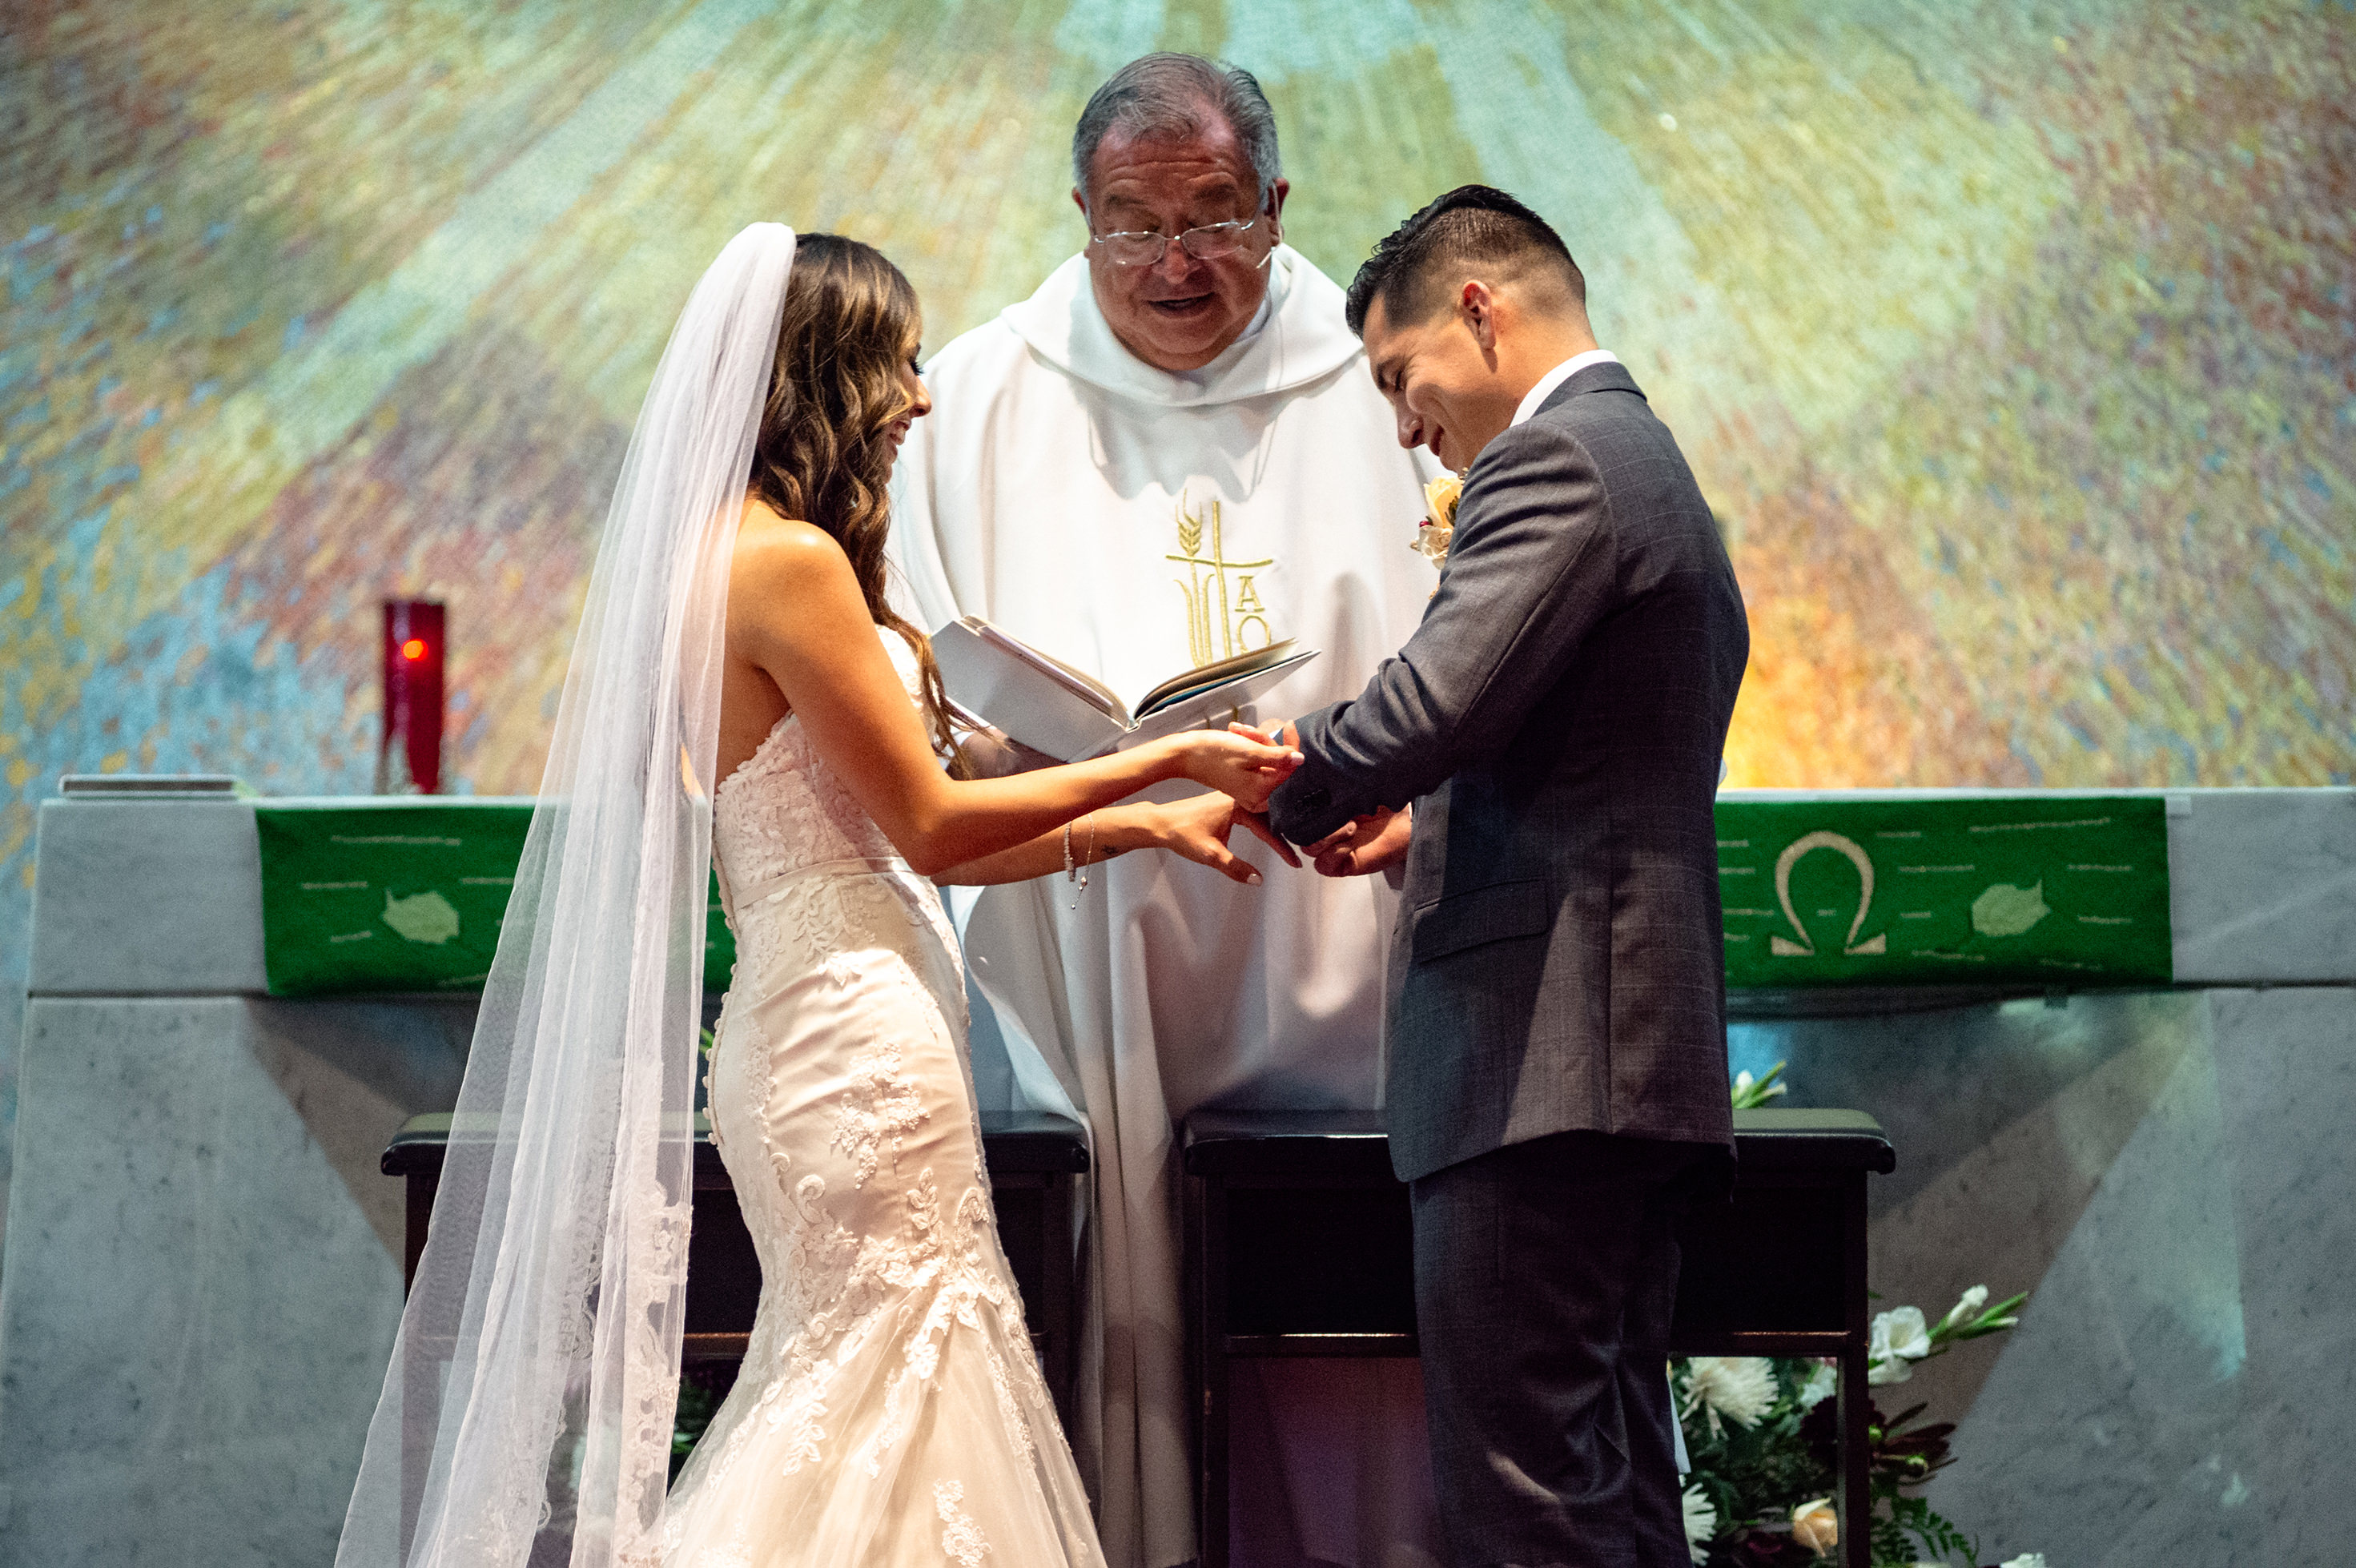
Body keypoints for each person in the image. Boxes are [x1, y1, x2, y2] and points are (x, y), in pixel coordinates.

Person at [335, 224, 1299, 1568]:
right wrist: (1165, 752)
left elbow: (892, 843)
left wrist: (1143, 823)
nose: (917, 397)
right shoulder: (786, 562)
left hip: (819, 1015)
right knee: (890, 1370)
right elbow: (934, 823)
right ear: (826, 372)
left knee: (859, 1379)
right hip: (853, 1043)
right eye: (898, 363)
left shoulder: (720, 553)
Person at [887, 54, 1441, 1563]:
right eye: (1134, 226)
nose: (1176, 263)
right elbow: (926, 679)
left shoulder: (1385, 377)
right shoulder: (981, 398)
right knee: (1096, 1282)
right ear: (1079, 217)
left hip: (1334, 923)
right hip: (1074, 939)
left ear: (1275, 206)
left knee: (1340, 1317)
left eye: (1212, 218)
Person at [1264, 186, 1750, 1567]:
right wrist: (1424, 833)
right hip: (1615, 1051)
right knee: (1606, 1480)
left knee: (1521, 1497)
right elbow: (1603, 751)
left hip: (1545, 1063)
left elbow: (1430, 704)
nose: (1406, 425)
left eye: (1397, 379)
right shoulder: (1645, 457)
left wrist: (1276, 770)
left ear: (1478, 312)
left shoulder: (1560, 463)